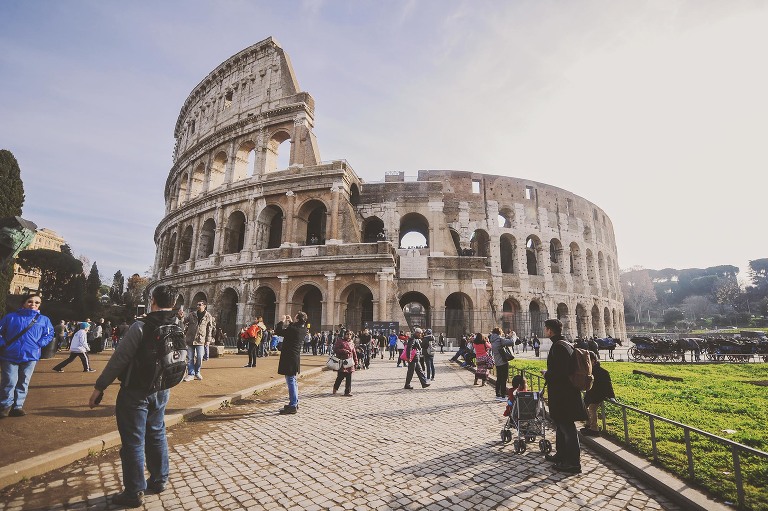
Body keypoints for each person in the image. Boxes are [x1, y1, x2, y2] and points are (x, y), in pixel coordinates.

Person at [88, 285, 179, 508]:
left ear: (152, 300)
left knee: (133, 441)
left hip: (136, 390)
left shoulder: (141, 326)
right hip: (161, 389)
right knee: (157, 433)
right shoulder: (176, 325)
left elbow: (119, 359)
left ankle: (134, 491)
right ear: (174, 304)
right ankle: (160, 480)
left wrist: (100, 387)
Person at [542, 319, 586, 474]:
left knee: (567, 428)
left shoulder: (559, 347)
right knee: (561, 426)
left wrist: (547, 374)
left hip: (564, 395)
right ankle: (561, 455)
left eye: (546, 329)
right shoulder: (564, 343)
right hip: (564, 393)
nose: (545, 331)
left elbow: (562, 373)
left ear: (550, 330)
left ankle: (573, 463)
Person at [0, 293, 54, 418]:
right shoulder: (10, 317)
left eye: (37, 302)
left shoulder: (44, 320)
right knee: (9, 381)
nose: (33, 304)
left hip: (30, 355)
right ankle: (5, 406)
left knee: (24, 381)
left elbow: (49, 334)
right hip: (10, 354)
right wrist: (3, 343)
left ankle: (17, 407)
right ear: (24, 303)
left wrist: (40, 344)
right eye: (30, 301)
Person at [274, 312, 307, 415]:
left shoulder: (293, 329)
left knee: (291, 380)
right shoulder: (304, 329)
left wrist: (282, 321)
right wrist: (291, 322)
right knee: (293, 380)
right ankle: (295, 403)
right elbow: (294, 329)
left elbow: (278, 331)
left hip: (289, 357)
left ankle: (293, 405)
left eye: (295, 316)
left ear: (297, 319)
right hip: (295, 357)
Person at [582, 351, 616, 437]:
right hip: (590, 394)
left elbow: (608, 385)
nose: (587, 363)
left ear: (593, 361)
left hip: (598, 395)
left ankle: (594, 429)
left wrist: (612, 396)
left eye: (588, 361)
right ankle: (588, 425)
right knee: (585, 407)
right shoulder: (588, 370)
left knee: (591, 409)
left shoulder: (603, 372)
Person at [182, 299, 214, 381]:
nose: (198, 306)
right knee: (190, 358)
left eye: (200, 304)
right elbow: (184, 321)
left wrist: (208, 340)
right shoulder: (192, 314)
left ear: (204, 306)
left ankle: (197, 372)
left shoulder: (208, 316)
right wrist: (181, 316)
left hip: (200, 340)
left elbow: (209, 329)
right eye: (197, 304)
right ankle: (191, 373)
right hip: (190, 338)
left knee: (199, 357)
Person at [490, 327, 517, 401]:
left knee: (499, 379)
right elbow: (511, 342)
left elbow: (504, 341)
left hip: (497, 362)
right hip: (503, 362)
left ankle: (497, 394)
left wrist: (508, 336)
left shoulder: (493, 340)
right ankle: (503, 396)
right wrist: (513, 336)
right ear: (499, 332)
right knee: (504, 379)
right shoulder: (499, 339)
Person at [332, 330, 358, 396]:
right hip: (342, 362)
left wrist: (356, 361)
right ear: (344, 334)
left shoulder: (352, 343)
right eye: (347, 334)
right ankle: (335, 388)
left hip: (350, 362)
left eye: (350, 334)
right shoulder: (340, 341)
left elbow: (354, 353)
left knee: (349, 378)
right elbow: (335, 349)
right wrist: (343, 351)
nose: (348, 336)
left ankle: (347, 392)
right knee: (340, 377)